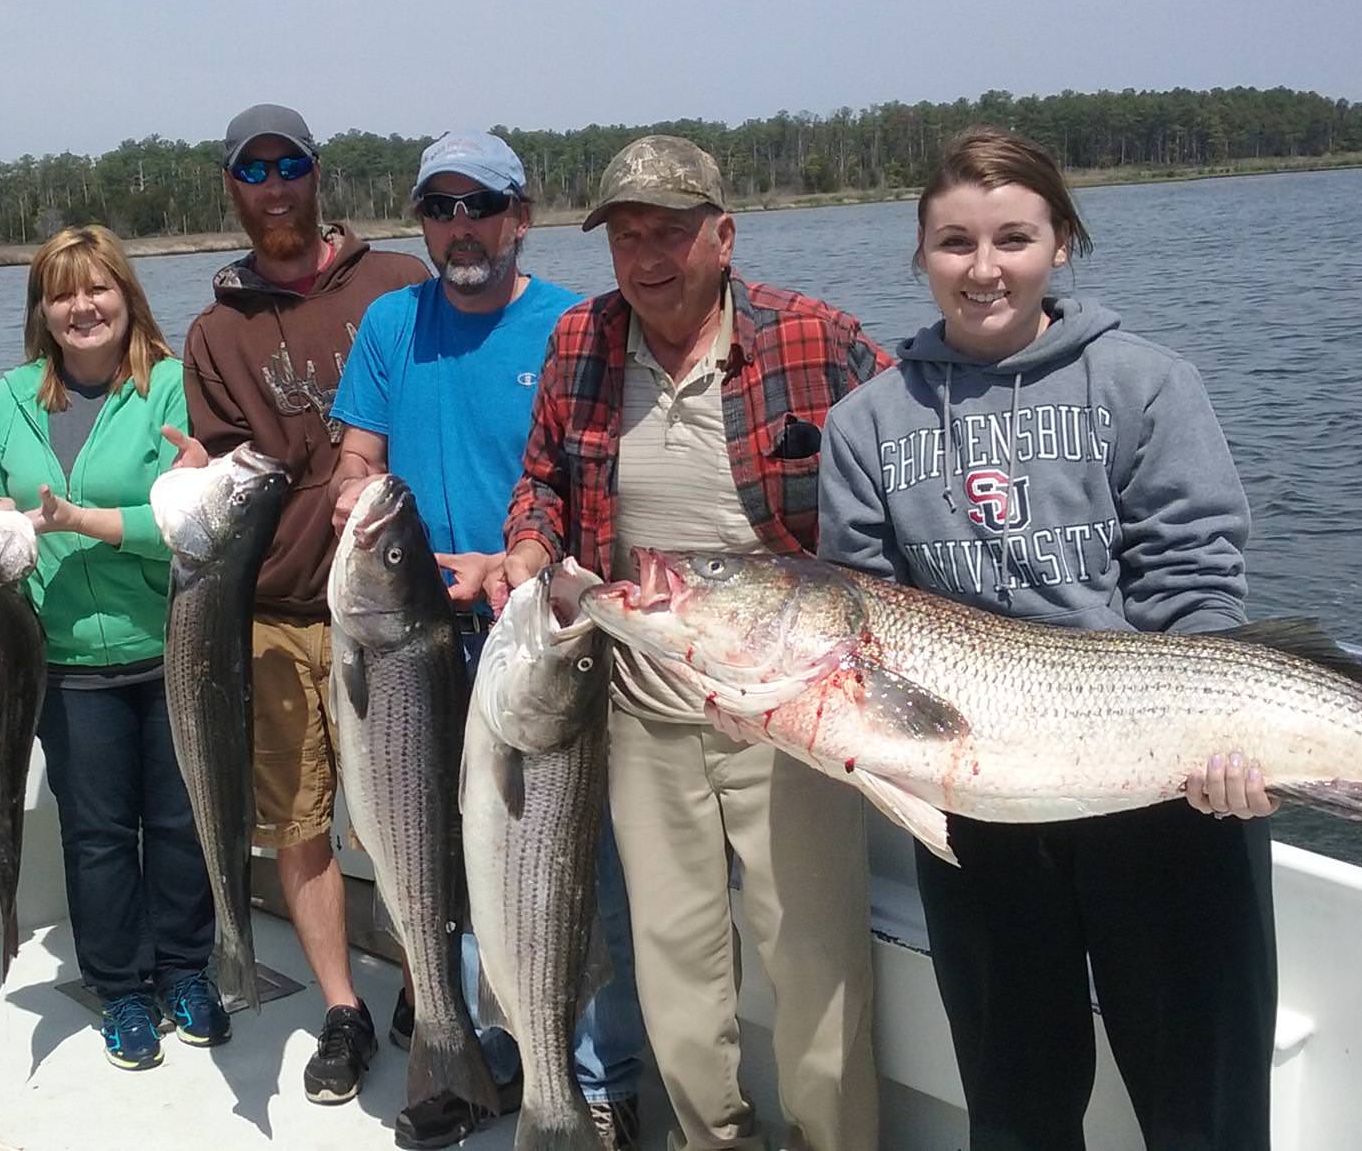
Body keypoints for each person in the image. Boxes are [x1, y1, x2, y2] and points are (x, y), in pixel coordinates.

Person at [815, 126, 1278, 1151]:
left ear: (1059, 242)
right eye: (953, 243)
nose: (983, 269)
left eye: (1012, 238)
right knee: (1015, 1106)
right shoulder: (863, 424)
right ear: (920, 255)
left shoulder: (1145, 382)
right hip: (977, 805)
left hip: (1162, 791)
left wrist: (1219, 741)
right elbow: (862, 613)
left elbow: (1194, 574)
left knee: (1203, 1104)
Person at [497, 135, 888, 1151]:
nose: (646, 255)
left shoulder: (817, 338)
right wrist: (529, 544)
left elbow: (917, 445)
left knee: (812, 957)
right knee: (671, 960)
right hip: (642, 701)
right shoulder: (580, 342)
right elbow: (539, 479)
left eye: (668, 231)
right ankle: (710, 1138)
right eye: (625, 235)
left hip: (789, 703)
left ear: (722, 234)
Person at [328, 132, 648, 1151]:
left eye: (481, 206)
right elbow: (355, 462)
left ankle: (600, 1078)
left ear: (520, 216)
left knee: (570, 870)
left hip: (541, 641)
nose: (459, 228)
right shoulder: (390, 323)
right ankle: (479, 1060)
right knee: (444, 862)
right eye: (439, 208)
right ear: (420, 222)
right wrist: (355, 505)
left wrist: (509, 566)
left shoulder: (575, 324)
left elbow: (593, 487)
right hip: (414, 642)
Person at [177, 103, 430, 1104]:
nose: (273, 186)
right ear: (232, 190)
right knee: (299, 822)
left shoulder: (397, 284)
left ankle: (424, 985)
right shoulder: (212, 332)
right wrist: (193, 476)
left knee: (415, 815)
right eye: (252, 171)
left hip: (398, 607)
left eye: (288, 166)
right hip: (277, 613)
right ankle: (341, 1007)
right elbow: (226, 469)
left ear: (316, 176)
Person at [0, 226, 223, 1071]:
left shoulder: (171, 388)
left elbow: (191, 524)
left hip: (170, 651)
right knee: (98, 835)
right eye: (63, 292)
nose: (83, 307)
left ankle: (187, 972)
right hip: (65, 666)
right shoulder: (10, 397)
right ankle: (122, 989)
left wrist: (88, 524)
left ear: (126, 295)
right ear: (42, 309)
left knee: (181, 825)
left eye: (97, 288)